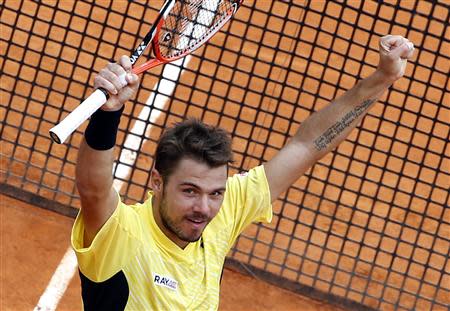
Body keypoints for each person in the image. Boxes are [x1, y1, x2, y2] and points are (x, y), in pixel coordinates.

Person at [72, 34, 414, 310]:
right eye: (189, 191)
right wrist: (108, 115)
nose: (204, 208)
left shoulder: (223, 211)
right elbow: (94, 190)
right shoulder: (123, 236)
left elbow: (308, 145)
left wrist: (382, 78)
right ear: (157, 181)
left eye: (215, 192)